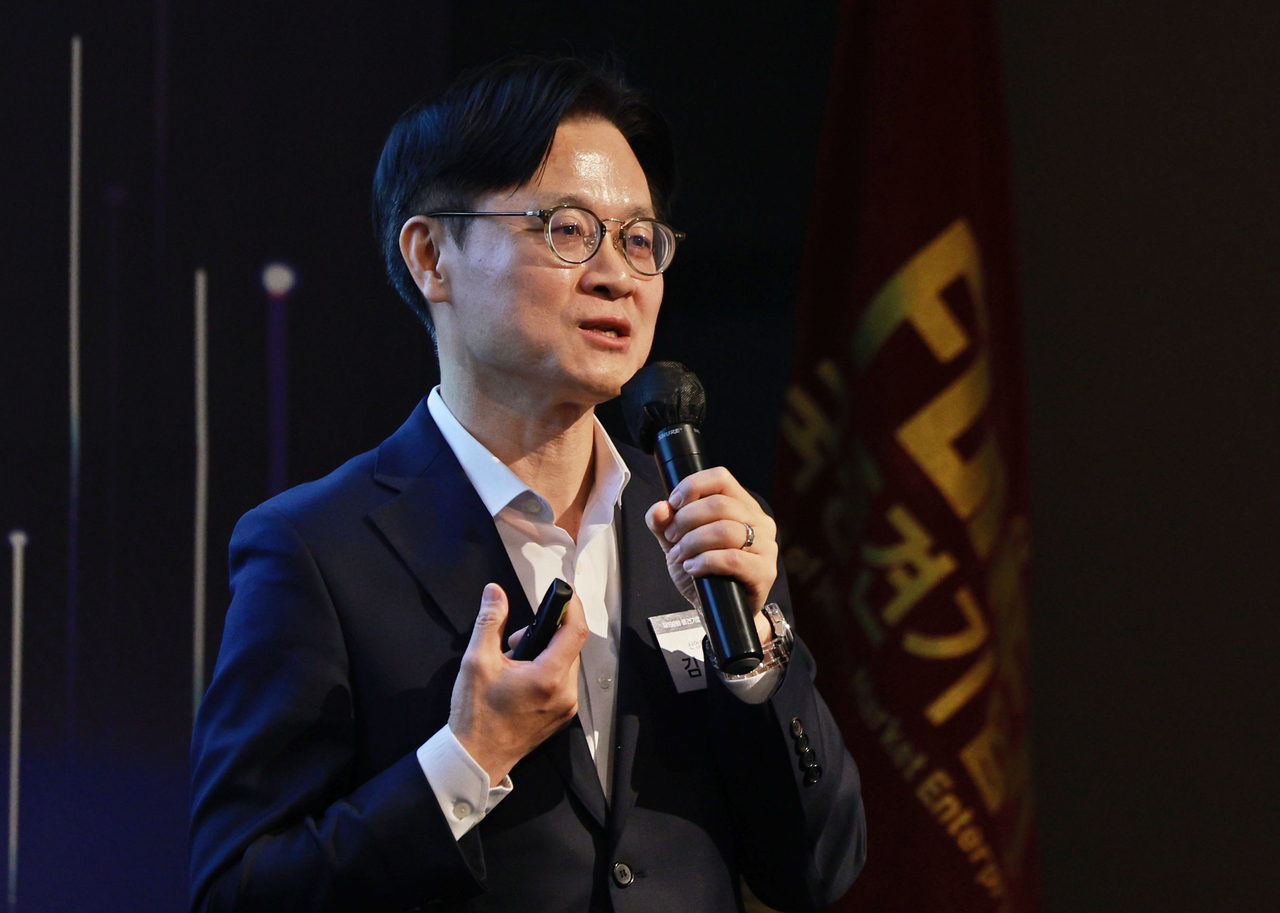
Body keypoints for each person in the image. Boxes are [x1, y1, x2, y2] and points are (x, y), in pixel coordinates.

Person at [189, 56, 865, 913]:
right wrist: (467, 758)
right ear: (432, 255)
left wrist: (758, 663)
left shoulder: (701, 526)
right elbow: (237, 894)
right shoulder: (316, 551)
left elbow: (820, 867)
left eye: (640, 239)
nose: (618, 274)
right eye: (568, 228)